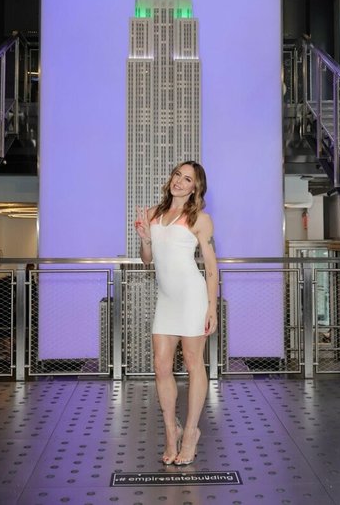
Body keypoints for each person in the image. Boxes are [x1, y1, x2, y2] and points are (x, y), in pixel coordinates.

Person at [134, 161, 218, 466]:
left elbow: (211, 267)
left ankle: (191, 431)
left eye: (187, 179)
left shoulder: (200, 219)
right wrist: (145, 239)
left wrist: (212, 307)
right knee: (161, 366)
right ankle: (172, 431)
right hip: (166, 300)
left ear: (196, 188)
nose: (179, 182)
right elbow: (147, 260)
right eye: (177, 175)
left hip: (192, 298)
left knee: (194, 364)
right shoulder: (153, 214)